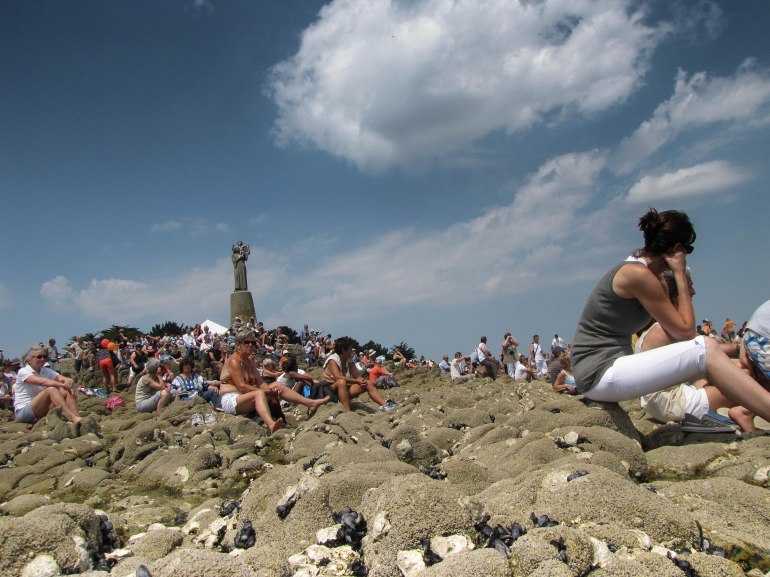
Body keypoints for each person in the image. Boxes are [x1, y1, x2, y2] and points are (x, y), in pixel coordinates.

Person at [571, 208, 770, 427]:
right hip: (598, 372)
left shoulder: (652, 277)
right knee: (704, 349)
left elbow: (680, 325)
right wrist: (680, 275)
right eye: (688, 249)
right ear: (677, 249)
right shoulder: (636, 274)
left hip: (610, 369)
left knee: (711, 353)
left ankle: (748, 411)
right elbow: (685, 332)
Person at [323, 336, 398, 412]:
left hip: (345, 389)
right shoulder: (333, 360)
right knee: (341, 382)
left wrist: (363, 381)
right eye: (350, 349)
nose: (352, 352)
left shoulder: (349, 361)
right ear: (343, 350)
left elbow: (357, 377)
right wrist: (357, 381)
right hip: (330, 391)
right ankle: (347, 411)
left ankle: (385, 405)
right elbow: (337, 377)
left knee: (367, 383)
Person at [14, 344, 81, 424]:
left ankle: (76, 416)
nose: (42, 359)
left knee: (67, 391)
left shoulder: (45, 370)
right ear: (29, 360)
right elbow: (41, 381)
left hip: (41, 408)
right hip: (24, 411)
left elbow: (65, 379)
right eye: (39, 357)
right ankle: (71, 417)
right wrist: (61, 385)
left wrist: (68, 383)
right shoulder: (23, 371)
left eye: (44, 357)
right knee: (51, 389)